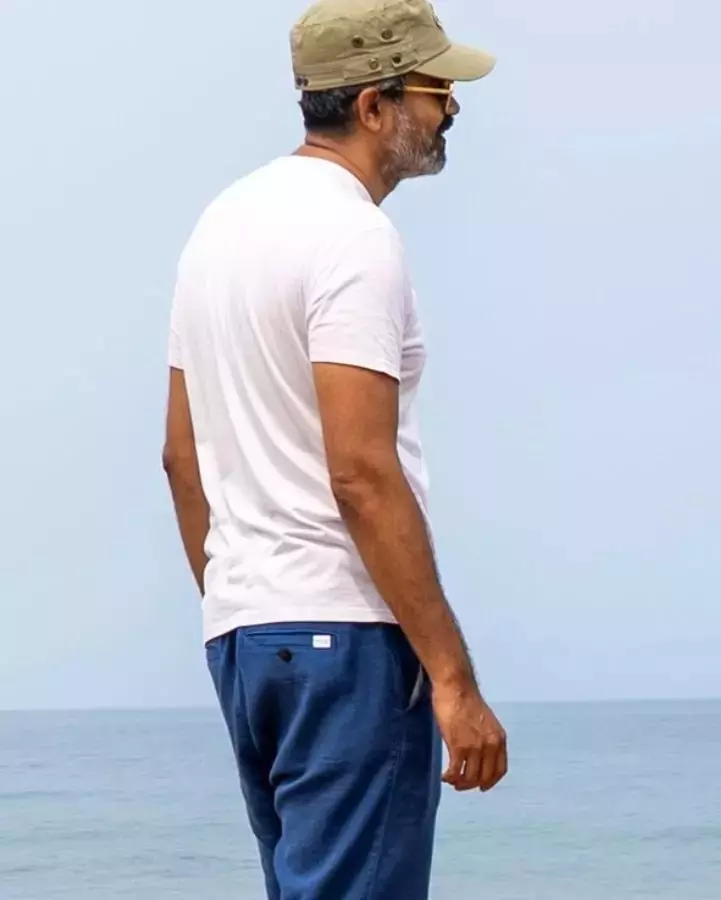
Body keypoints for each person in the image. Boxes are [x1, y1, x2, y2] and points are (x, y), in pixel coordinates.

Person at [160, 1, 507, 896]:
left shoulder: (218, 228)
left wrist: (244, 595)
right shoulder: (354, 237)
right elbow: (361, 472)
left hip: (248, 637)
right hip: (343, 638)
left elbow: (181, 459)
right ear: (373, 105)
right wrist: (453, 681)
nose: (452, 110)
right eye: (436, 90)